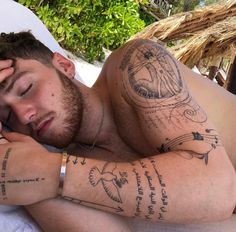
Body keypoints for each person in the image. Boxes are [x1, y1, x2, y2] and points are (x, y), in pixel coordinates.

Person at [0, 31, 235, 231]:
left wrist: (51, 173)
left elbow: (220, 190)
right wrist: (25, 174)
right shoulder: (64, 163)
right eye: (7, 115)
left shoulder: (135, 66)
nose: (23, 115)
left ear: (64, 65)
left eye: (25, 88)